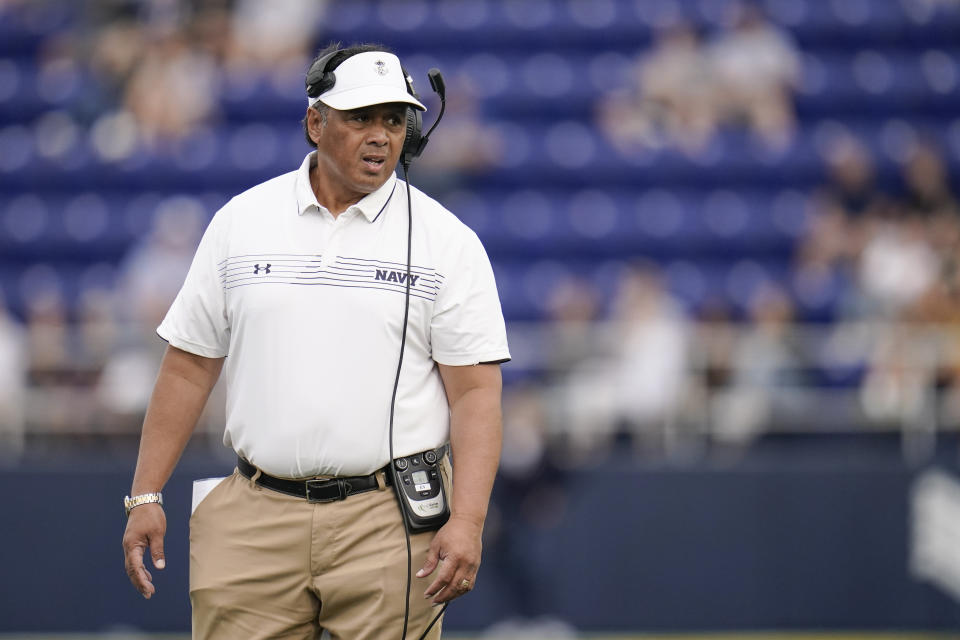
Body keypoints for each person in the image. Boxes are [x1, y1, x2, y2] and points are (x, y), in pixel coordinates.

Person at [121, 42, 510, 640]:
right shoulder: (241, 222)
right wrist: (144, 493)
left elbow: (477, 393)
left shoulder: (447, 242)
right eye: (360, 118)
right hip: (254, 513)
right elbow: (188, 366)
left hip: (388, 519)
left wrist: (470, 520)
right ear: (315, 122)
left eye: (394, 120)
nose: (380, 136)